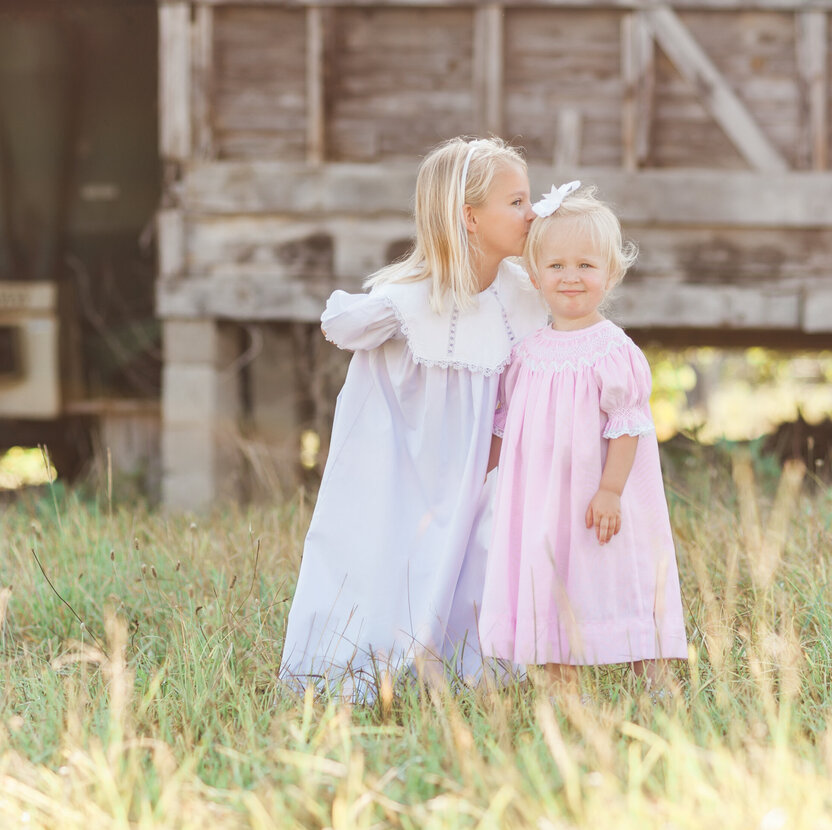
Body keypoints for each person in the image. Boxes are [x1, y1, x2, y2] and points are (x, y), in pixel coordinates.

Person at [279, 137, 547, 699]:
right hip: (407, 466)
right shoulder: (406, 303)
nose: (534, 213)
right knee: (393, 556)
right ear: (470, 218)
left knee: (485, 547)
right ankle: (364, 668)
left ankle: (474, 669)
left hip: (487, 465)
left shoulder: (523, 296)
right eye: (517, 202)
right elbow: (352, 347)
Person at [478, 182, 687, 693]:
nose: (571, 277)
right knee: (551, 577)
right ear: (534, 276)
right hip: (545, 500)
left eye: (586, 266)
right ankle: (559, 680)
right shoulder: (526, 354)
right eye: (557, 266)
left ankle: (655, 677)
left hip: (601, 496)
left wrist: (612, 489)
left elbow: (627, 425)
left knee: (619, 575)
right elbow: (509, 424)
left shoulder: (611, 350)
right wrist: (480, 469)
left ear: (610, 273)